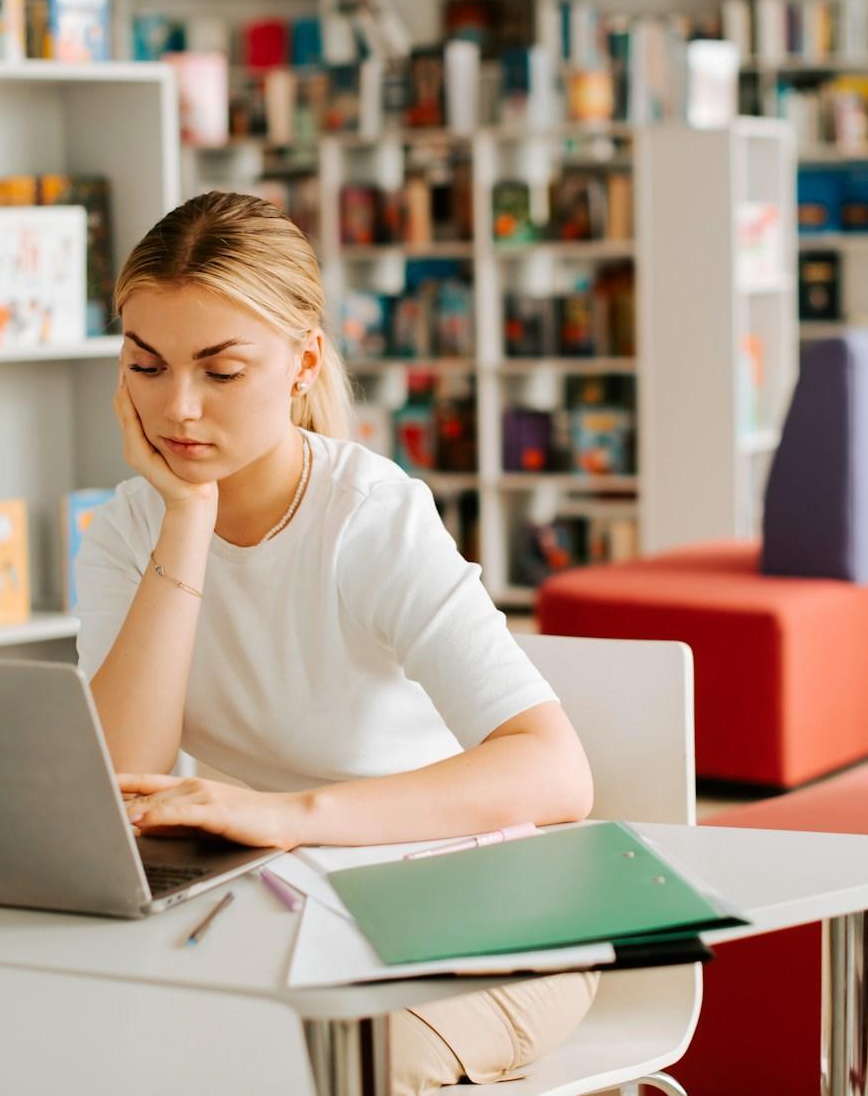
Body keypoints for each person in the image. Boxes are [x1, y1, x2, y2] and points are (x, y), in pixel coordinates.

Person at [74, 191, 599, 1093]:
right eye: (147, 365)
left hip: (485, 921)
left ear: (302, 362)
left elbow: (555, 773)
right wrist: (187, 519)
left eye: (222, 371)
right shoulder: (132, 527)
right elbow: (120, 781)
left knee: (327, 1063)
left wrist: (289, 816)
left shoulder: (370, 517)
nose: (179, 407)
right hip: (283, 914)